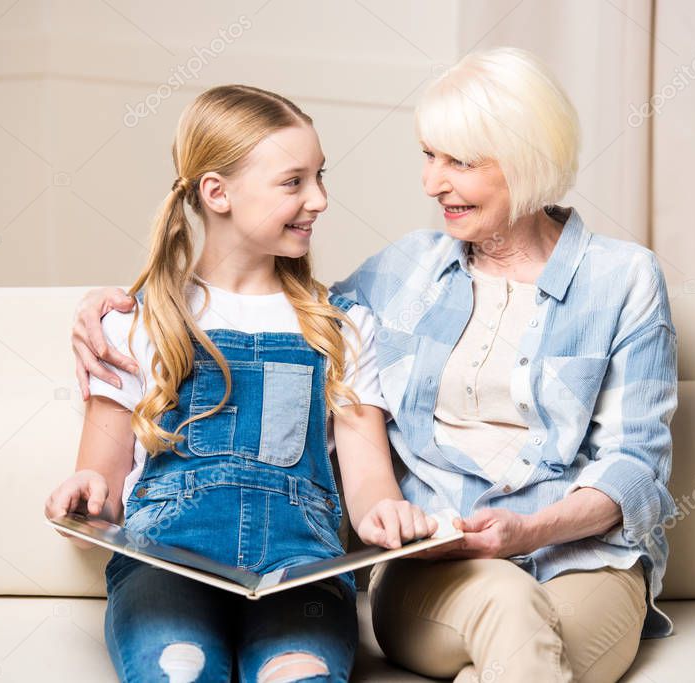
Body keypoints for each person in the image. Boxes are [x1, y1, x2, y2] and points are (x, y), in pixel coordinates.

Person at [73, 48, 678, 683]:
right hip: (440, 568)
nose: (431, 182)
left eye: (459, 162)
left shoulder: (622, 279)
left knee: (514, 646)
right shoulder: (402, 274)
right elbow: (267, 301)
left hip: (578, 558)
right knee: (506, 606)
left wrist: (529, 530)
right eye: (428, 154)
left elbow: (636, 464)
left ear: (525, 162)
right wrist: (112, 306)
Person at [45, 84, 437, 683]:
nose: (320, 200)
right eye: (294, 181)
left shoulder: (344, 326)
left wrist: (389, 516)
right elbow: (101, 484)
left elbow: (369, 486)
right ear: (217, 193)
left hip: (299, 567)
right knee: (178, 671)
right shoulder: (134, 322)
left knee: (301, 676)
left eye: (320, 177)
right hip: (166, 568)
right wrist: (85, 495)